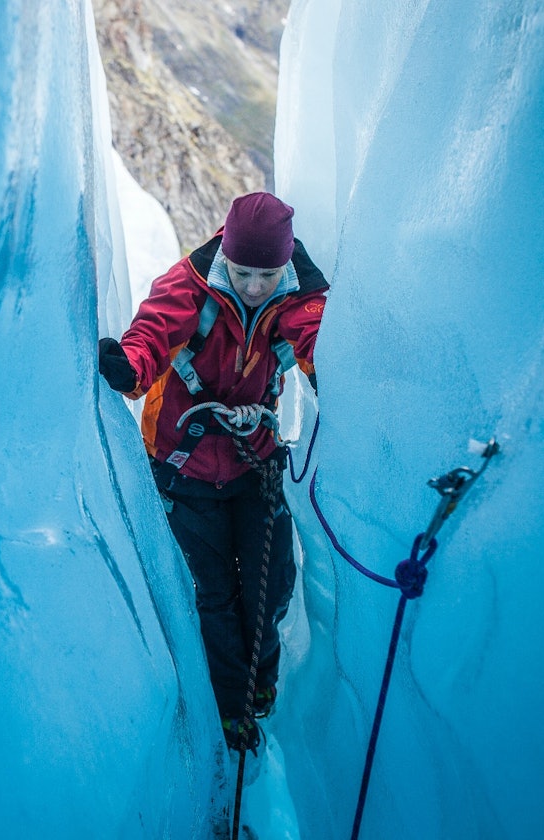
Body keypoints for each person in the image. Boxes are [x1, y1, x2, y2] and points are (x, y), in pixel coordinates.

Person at [98, 192, 328, 752]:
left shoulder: (297, 293)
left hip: (254, 464)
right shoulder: (190, 285)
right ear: (225, 253)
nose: (253, 286)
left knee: (269, 584)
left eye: (266, 274)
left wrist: (337, 371)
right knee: (217, 593)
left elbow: (320, 334)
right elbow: (153, 329)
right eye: (243, 271)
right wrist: (131, 369)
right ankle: (232, 709)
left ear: (285, 264)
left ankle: (261, 686)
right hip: (185, 468)